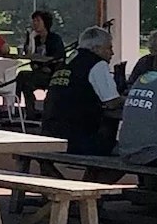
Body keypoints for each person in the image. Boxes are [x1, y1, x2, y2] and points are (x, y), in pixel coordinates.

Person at [43, 26, 122, 157]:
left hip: (50, 133)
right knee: (129, 153)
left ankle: (89, 176)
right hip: (79, 138)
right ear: (96, 48)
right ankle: (92, 177)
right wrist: (128, 99)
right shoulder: (97, 64)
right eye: (109, 48)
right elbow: (112, 102)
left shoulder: (67, 62)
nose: (112, 53)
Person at [16, 9, 64, 118]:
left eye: (38, 20)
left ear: (45, 22)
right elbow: (29, 55)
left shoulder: (55, 39)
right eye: (33, 20)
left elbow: (58, 58)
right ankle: (29, 111)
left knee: (23, 77)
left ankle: (15, 101)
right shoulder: (34, 38)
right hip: (38, 72)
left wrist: (45, 65)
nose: (35, 23)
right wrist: (32, 39)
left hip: (52, 73)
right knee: (23, 78)